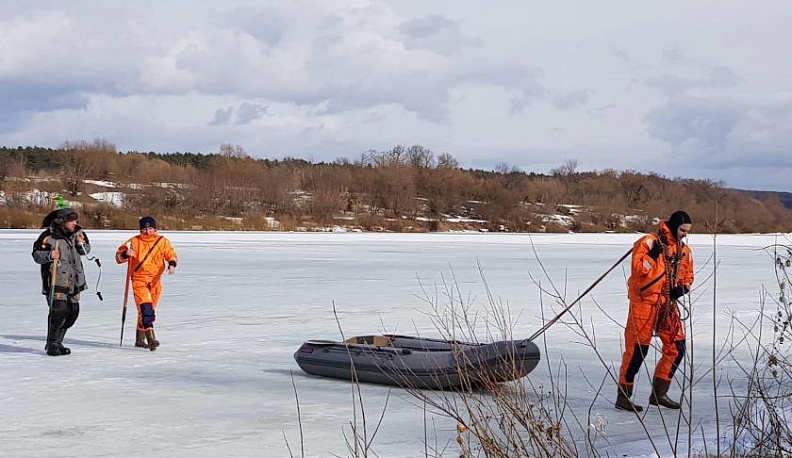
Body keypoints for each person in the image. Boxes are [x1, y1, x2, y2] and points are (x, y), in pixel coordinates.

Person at [616, 210, 694, 412]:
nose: (685, 234)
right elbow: (639, 268)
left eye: (687, 231)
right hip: (644, 302)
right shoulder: (649, 242)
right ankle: (623, 397)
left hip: (667, 305)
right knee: (637, 352)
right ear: (675, 226)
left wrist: (682, 289)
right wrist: (655, 253)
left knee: (678, 347)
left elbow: (688, 276)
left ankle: (659, 394)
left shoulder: (683, 251)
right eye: (683, 230)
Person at [32, 208, 91, 356]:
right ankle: (52, 343)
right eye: (71, 221)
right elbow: (36, 255)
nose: (74, 223)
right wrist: (49, 255)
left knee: (73, 312)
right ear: (62, 221)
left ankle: (58, 341)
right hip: (56, 279)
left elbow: (86, 251)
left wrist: (81, 244)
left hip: (75, 280)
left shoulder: (79, 233)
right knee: (58, 312)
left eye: (75, 221)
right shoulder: (48, 236)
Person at [115, 216, 178, 351]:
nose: (147, 232)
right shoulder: (134, 242)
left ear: (154, 229)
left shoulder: (162, 242)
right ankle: (151, 338)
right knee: (146, 309)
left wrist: (172, 264)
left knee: (146, 311)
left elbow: (170, 254)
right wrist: (126, 254)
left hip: (155, 280)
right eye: (144, 229)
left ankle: (139, 339)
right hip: (139, 279)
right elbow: (118, 257)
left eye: (150, 229)